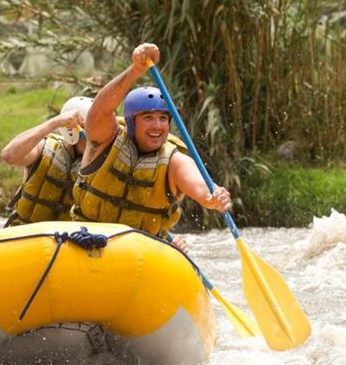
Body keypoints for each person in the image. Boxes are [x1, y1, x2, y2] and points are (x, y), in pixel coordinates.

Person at [71, 43, 231, 244]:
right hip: (87, 240)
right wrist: (135, 70)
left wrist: (213, 197)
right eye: (148, 118)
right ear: (130, 122)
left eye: (163, 118)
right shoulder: (105, 141)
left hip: (143, 252)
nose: (158, 126)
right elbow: (100, 110)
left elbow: (200, 187)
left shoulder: (174, 161)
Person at [0, 96, 92, 227]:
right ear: (72, 131)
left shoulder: (100, 159)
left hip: (67, 242)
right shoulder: (43, 149)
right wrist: (56, 122)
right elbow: (8, 155)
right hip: (26, 237)